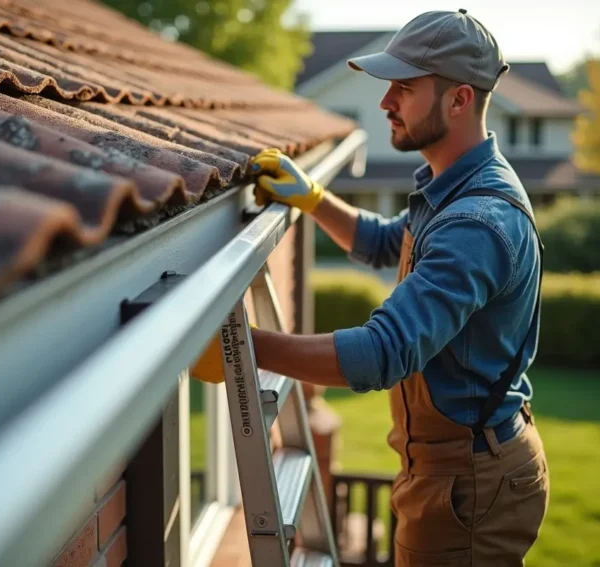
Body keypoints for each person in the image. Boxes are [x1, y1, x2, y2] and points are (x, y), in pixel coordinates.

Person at [191, 8, 549, 567]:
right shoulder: (452, 187)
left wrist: (242, 347)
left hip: (471, 483)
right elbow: (390, 243)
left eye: (403, 88)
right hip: (452, 466)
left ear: (458, 100)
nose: (385, 102)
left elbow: (383, 353)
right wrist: (311, 198)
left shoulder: (477, 221)